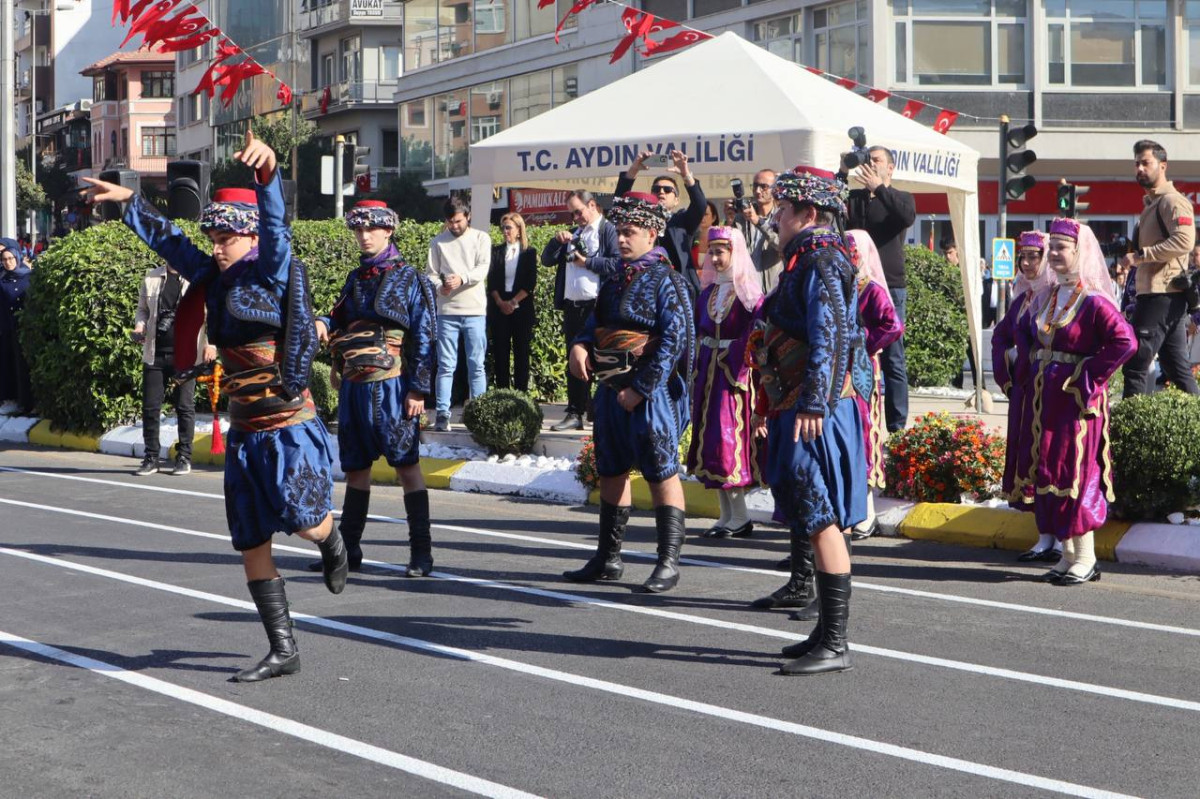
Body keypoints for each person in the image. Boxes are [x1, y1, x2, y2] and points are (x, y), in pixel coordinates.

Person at [84, 129, 349, 683]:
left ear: (249, 238)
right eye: (214, 235)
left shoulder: (271, 270)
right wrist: (129, 202)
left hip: (287, 424)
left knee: (304, 523)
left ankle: (331, 537)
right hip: (247, 430)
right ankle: (284, 649)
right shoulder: (211, 276)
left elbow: (277, 228)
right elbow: (171, 242)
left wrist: (269, 176)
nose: (217, 244)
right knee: (250, 540)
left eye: (227, 237)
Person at [752, 166, 868, 675]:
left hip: (813, 409)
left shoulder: (821, 262)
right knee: (811, 511)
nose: (775, 218)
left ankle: (836, 643)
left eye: (783, 211)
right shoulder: (807, 260)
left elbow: (832, 336)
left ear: (810, 215)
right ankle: (823, 632)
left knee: (821, 516)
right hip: (801, 403)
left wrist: (814, 403)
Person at [562, 192, 694, 593]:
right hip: (610, 389)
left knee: (660, 471)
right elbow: (595, 324)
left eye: (630, 232)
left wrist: (641, 388)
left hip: (651, 396)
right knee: (610, 468)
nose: (621, 239)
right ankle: (608, 558)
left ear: (652, 234)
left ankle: (667, 562)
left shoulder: (668, 280)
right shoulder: (615, 277)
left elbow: (676, 340)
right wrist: (579, 346)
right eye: (619, 231)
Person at [309, 199, 438, 578]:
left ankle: (421, 553)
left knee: (407, 467)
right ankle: (349, 549)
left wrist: (418, 390)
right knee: (356, 470)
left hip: (394, 387)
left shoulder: (410, 278)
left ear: (388, 231)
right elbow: (336, 317)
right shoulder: (355, 278)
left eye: (371, 230)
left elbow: (426, 337)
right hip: (354, 388)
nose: (364, 236)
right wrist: (323, 329)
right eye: (358, 230)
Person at [1017, 219, 1136, 585]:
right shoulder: (1052, 296)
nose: (1052, 254)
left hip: (1077, 402)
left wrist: (1087, 377)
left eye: (1060, 248)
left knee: (1076, 473)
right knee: (1050, 471)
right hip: (1046, 400)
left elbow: (1125, 342)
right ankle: (1068, 555)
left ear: (1079, 251)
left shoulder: (1094, 300)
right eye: (1050, 247)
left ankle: (1086, 557)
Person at [685, 225, 763, 539]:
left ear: (735, 253)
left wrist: (734, 361)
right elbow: (699, 331)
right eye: (711, 251)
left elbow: (755, 334)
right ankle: (726, 515)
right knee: (709, 442)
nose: (714, 258)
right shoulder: (708, 293)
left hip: (733, 379)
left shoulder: (749, 295)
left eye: (721, 252)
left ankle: (741, 516)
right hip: (708, 376)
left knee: (728, 441)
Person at [991, 231, 1059, 562]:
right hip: (1025, 395)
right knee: (1030, 460)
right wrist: (1007, 379)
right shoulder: (1023, 299)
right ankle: (1044, 536)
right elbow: (1000, 338)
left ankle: (1061, 538)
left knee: (1051, 460)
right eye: (1024, 257)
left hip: (1052, 394)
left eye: (1035, 256)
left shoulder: (1059, 298)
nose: (1028, 263)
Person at [840, 146, 916, 432]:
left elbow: (907, 216)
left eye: (877, 160)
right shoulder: (855, 199)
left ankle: (896, 426)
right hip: (857, 284)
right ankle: (859, 417)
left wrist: (880, 188)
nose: (871, 165)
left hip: (890, 286)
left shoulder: (900, 197)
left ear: (890, 168)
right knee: (855, 349)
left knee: (893, 357)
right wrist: (843, 171)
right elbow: (832, 212)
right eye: (867, 160)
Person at [1119, 140, 1199, 397]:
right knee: (1176, 369)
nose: (1140, 169)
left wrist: (1141, 256)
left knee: (1135, 365)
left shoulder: (1172, 201)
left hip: (1161, 294)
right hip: (1159, 294)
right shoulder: (1152, 205)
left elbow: (1184, 241)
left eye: (1146, 163)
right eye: (1136, 164)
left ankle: (1130, 436)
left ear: (1162, 166)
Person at [542, 190, 620, 431]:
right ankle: (575, 411)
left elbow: (617, 264)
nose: (575, 217)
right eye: (572, 213)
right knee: (575, 362)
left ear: (593, 205)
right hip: (573, 307)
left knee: (603, 360)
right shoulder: (575, 233)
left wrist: (587, 262)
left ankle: (602, 411)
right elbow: (546, 260)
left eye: (578, 211)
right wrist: (557, 240)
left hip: (598, 306)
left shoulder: (607, 230)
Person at [846, 230, 903, 540]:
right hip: (839, 372)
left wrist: (863, 344)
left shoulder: (874, 290)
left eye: (852, 250)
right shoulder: (841, 286)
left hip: (865, 371)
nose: (848, 255)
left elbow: (892, 325)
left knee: (865, 432)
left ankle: (866, 512)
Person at [131, 262, 215, 476]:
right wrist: (140, 326)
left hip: (186, 354)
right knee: (150, 407)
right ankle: (151, 457)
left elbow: (211, 314)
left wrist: (210, 343)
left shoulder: (196, 281)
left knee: (184, 406)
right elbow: (142, 310)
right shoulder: (151, 278)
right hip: (155, 352)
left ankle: (184, 457)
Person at [427, 196, 492, 432]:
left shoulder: (481, 238)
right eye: (449, 222)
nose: (454, 226)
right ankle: (442, 414)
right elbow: (431, 274)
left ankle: (479, 412)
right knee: (445, 365)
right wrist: (439, 286)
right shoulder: (438, 243)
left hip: (474, 310)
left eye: (457, 221)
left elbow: (482, 268)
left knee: (477, 364)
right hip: (447, 311)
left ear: (468, 216)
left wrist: (461, 278)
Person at [615, 150, 707, 294]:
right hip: (646, 287)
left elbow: (700, 206)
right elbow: (620, 205)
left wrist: (685, 174)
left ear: (676, 200)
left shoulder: (682, 221)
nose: (661, 192)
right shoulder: (641, 220)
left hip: (678, 289)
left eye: (667, 189)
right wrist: (633, 170)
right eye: (656, 189)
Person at [488, 212, 537, 392]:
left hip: (521, 308)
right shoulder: (496, 251)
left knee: (521, 353)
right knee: (501, 353)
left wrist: (513, 302)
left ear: (518, 229)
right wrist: (501, 302)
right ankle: (502, 393)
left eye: (508, 228)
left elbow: (530, 282)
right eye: (503, 228)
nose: (505, 231)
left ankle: (520, 394)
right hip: (499, 307)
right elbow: (491, 280)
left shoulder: (529, 252)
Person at [727, 169, 783, 294]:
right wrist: (730, 221)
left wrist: (758, 222)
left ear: (775, 189)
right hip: (746, 293)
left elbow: (782, 246)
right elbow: (728, 251)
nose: (757, 191)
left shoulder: (782, 216)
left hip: (774, 292)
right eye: (755, 186)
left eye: (763, 186)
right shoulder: (742, 217)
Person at [0, 240, 33, 414]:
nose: (8, 262)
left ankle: (32, 402)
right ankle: (17, 400)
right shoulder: (2, 281)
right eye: (4, 259)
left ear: (18, 257)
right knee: (13, 366)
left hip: (27, 328)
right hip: (9, 329)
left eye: (11, 258)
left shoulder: (29, 276)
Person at [691, 201, 720, 268]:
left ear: (713, 218)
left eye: (706, 214)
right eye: (699, 213)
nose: (701, 217)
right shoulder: (690, 240)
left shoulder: (719, 239)